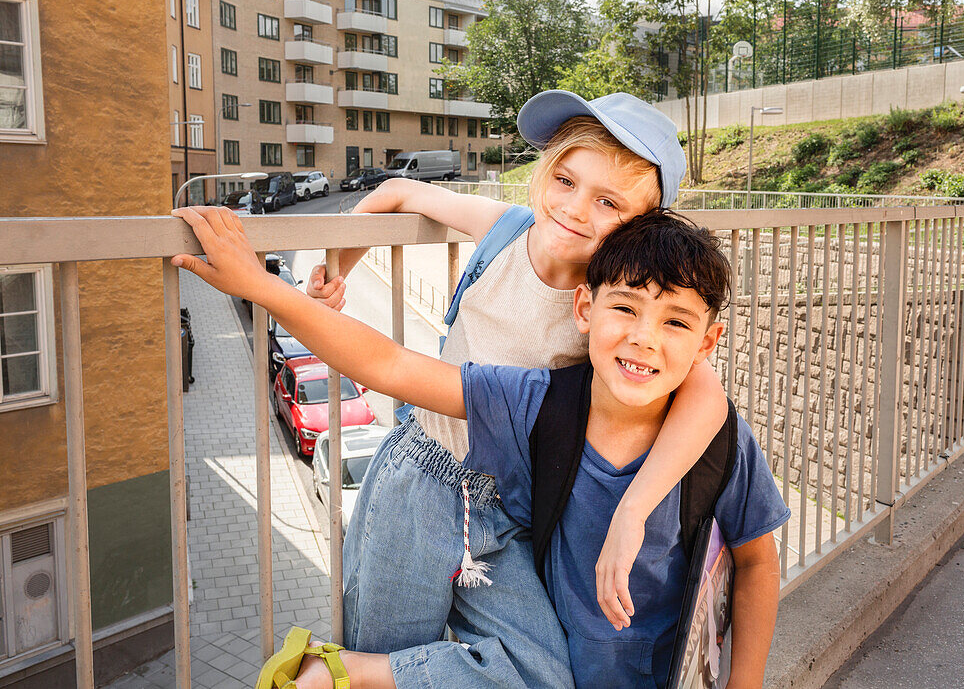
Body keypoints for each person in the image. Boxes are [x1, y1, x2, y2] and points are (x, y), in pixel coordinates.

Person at [170, 208, 789, 689]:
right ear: (584, 307)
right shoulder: (539, 404)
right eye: (624, 308)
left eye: (676, 322)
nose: (644, 339)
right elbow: (389, 364)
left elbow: (757, 562)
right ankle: (349, 670)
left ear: (709, 342)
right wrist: (264, 288)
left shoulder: (719, 446)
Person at [310, 93, 729, 673]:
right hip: (421, 479)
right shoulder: (508, 230)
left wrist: (634, 511)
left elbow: (708, 396)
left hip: (505, 509)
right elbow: (395, 194)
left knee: (542, 671)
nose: (575, 210)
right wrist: (335, 272)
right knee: (385, 652)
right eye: (565, 179)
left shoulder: (616, 304)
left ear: (643, 227)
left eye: (608, 202)